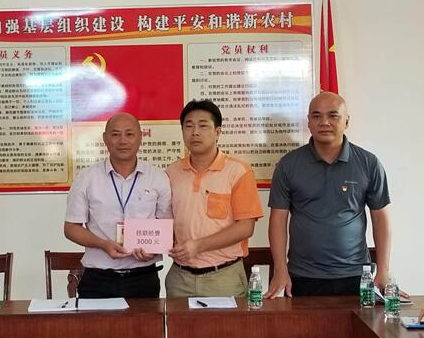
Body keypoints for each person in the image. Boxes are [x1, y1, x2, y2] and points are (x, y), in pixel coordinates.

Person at [265, 92, 392, 298]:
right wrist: (280, 269)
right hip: (303, 275)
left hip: (356, 275)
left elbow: (381, 218)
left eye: (333, 116)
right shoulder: (289, 165)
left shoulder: (368, 163)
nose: (324, 122)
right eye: (316, 116)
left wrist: (384, 270)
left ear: (346, 121)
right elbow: (278, 220)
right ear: (308, 122)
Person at [64, 112, 172, 298]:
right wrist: (103, 244)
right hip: (98, 279)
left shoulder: (157, 177)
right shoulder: (87, 178)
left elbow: (166, 226)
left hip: (143, 279)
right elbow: (71, 228)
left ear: (140, 137)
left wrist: (153, 249)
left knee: (145, 320)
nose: (123, 141)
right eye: (115, 134)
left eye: (129, 134)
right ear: (105, 139)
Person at [165, 99, 263, 297]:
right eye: (189, 126)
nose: (195, 132)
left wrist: (198, 246)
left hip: (223, 277)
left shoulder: (238, 171)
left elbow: (246, 227)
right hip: (180, 278)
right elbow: (164, 221)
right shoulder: (171, 173)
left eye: (203, 125)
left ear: (217, 132)